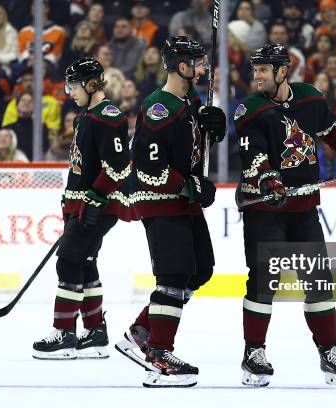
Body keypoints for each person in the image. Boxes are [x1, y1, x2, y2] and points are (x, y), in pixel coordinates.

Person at [234, 44, 336, 387]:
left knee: (318, 281)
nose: (257, 75)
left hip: (303, 206)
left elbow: (334, 130)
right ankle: (254, 354)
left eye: (264, 69)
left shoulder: (310, 98)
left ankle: (329, 351)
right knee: (265, 281)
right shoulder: (249, 109)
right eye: (255, 69)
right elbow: (253, 156)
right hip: (264, 208)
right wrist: (269, 179)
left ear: (283, 72)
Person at [114, 36, 226, 388]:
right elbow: (148, 166)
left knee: (200, 269)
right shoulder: (158, 107)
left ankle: (141, 333)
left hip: (183, 203)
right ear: (182, 66)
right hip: (162, 202)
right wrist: (189, 184)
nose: (204, 68)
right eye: (198, 62)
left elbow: (190, 145)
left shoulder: (189, 101)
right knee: (173, 276)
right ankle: (158, 357)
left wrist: (213, 127)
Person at [31, 57, 131, 360]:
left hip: (99, 205)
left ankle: (64, 334)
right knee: (85, 261)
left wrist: (94, 199)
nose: (69, 92)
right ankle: (95, 333)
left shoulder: (109, 117)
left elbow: (118, 167)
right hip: (84, 203)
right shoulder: (85, 116)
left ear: (90, 85)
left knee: (69, 261)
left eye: (73, 85)